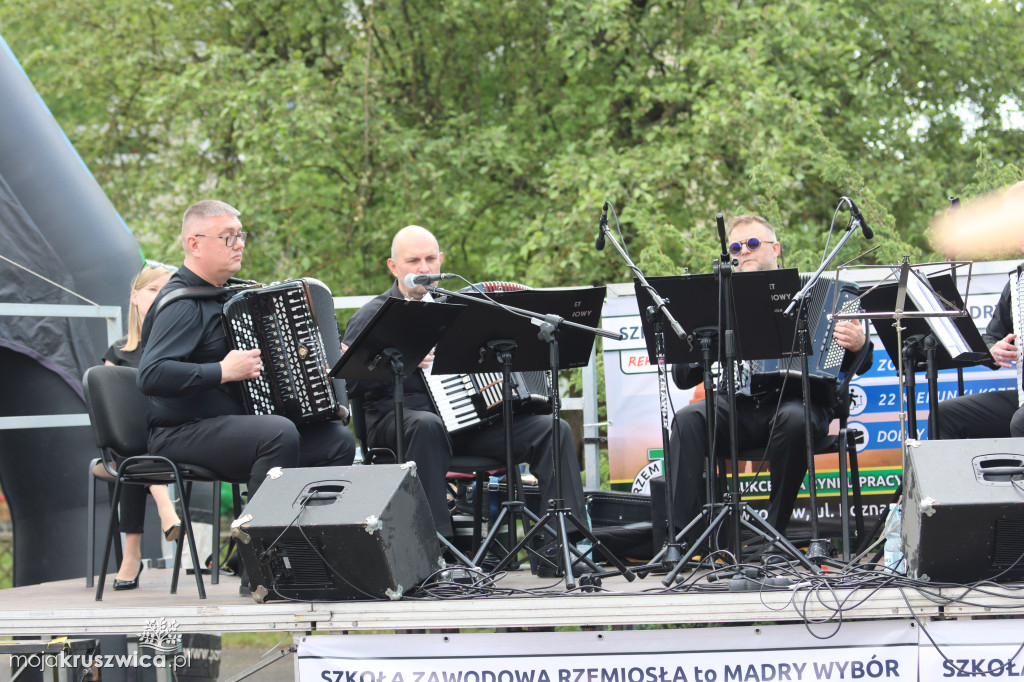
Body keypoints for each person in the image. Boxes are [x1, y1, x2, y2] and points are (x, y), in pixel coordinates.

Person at [137, 200, 355, 589]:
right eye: (227, 237)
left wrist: (312, 371)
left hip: (230, 428)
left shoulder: (228, 298)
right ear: (194, 243)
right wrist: (222, 371)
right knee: (276, 433)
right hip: (181, 431)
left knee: (336, 441)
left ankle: (311, 554)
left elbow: (262, 368)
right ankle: (263, 567)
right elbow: (151, 374)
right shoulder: (181, 304)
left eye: (241, 235)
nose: (238, 244)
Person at [341, 225, 586, 542]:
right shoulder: (373, 315)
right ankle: (437, 549)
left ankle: (562, 545)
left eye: (430, 259)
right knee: (427, 425)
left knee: (552, 430)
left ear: (441, 260)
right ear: (393, 266)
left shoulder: (458, 308)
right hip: (402, 425)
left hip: (467, 427)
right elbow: (352, 387)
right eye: (413, 261)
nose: (424, 268)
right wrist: (406, 359)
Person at [667, 214, 872, 545]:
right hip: (740, 405)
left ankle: (773, 534)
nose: (743, 252)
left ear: (775, 248)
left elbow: (858, 365)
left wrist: (858, 344)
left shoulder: (821, 293)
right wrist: (695, 343)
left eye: (751, 243)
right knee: (689, 419)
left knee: (793, 418)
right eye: (736, 246)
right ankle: (682, 538)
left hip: (800, 402)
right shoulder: (721, 299)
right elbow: (683, 376)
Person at [100, 262, 182, 590]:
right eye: (152, 289)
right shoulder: (118, 352)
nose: (160, 296)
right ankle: (166, 509)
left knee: (135, 452)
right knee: (127, 445)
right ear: (135, 297)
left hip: (169, 435)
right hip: (128, 442)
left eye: (166, 290)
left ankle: (131, 557)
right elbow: (107, 413)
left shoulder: (178, 348)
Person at [935, 181, 1024, 440]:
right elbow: (989, 338)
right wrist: (993, 351)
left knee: (1021, 422)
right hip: (1021, 397)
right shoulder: (1018, 284)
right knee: (945, 416)